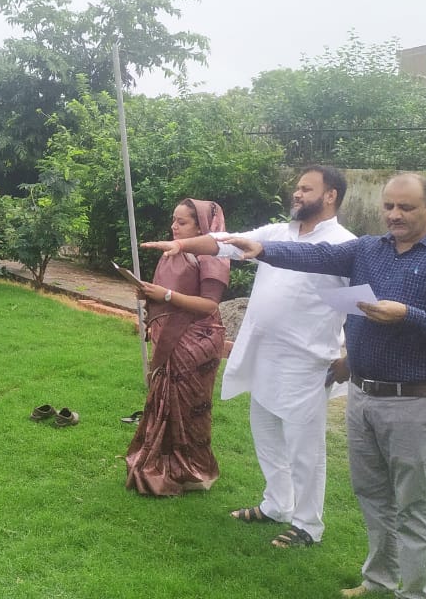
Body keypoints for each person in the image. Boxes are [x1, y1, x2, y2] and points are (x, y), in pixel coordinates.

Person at [221, 173, 426, 599]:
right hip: (364, 395)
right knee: (374, 497)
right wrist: (264, 248)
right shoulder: (368, 249)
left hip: (415, 401)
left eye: (406, 208)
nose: (394, 215)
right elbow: (318, 256)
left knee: (413, 505)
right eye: (389, 206)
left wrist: (407, 316)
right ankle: (378, 581)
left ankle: (415, 593)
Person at [143, 166, 355, 547]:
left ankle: (308, 525)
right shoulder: (277, 233)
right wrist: (183, 245)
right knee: (266, 434)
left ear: (331, 196)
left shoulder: (343, 244)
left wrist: (351, 358)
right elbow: (226, 242)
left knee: (304, 447)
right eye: (296, 187)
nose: (297, 194)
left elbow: (356, 308)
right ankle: (276, 504)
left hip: (306, 362)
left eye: (306, 189)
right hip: (264, 353)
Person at [125, 198, 230, 496]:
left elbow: (209, 304)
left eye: (181, 222)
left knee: (188, 407)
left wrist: (166, 294)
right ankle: (161, 461)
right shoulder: (173, 252)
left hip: (196, 340)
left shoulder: (213, 256)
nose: (173, 226)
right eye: (173, 220)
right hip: (170, 335)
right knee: (163, 401)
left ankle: (192, 469)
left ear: (201, 227)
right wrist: (150, 293)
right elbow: (166, 294)